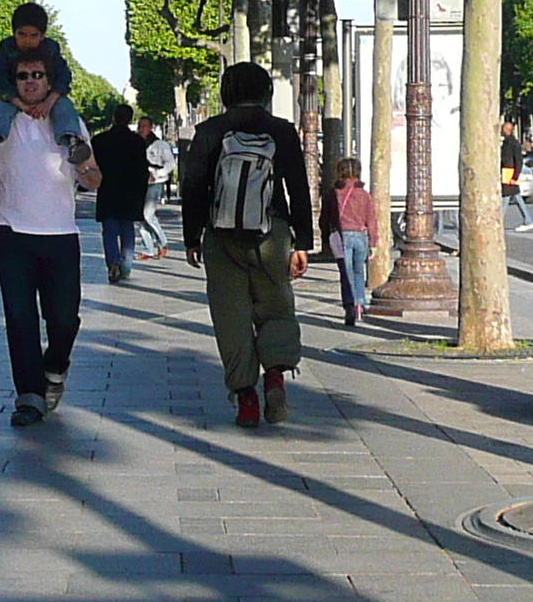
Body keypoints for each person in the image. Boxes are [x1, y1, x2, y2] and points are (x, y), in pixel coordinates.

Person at [185, 62, 313, 426]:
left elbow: (194, 186)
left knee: (231, 316)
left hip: (221, 234)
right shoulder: (281, 132)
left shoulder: (210, 131)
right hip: (270, 232)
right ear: (266, 92)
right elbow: (298, 188)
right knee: (276, 306)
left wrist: (192, 237)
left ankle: (246, 399)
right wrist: (302, 241)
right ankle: (274, 373)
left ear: (226, 92)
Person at [0, 54, 98, 424]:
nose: (30, 81)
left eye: (37, 75)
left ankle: (55, 368)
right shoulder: (0, 124)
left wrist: (84, 165)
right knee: (20, 317)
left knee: (64, 319)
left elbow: (94, 180)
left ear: (50, 80)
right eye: (23, 76)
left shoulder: (69, 123)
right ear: (14, 82)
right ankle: (29, 396)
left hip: (60, 234)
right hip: (12, 232)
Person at [0, 2, 93, 156]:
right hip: (13, 95)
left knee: (64, 106)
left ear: (43, 35)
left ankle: (73, 141)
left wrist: (50, 100)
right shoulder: (6, 48)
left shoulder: (51, 48)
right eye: (22, 35)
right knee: (0, 107)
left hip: (48, 95)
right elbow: (0, 78)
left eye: (33, 36)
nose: (27, 40)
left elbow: (64, 76)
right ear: (14, 33)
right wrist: (18, 102)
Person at [90, 101, 151, 284]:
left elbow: (93, 166)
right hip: (130, 192)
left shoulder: (100, 140)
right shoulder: (137, 142)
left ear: (114, 118)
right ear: (130, 119)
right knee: (127, 228)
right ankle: (125, 265)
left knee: (109, 229)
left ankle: (112, 263)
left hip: (108, 189)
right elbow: (142, 169)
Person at [329, 160, 378, 329]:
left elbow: (325, 216)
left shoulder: (334, 193)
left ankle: (349, 305)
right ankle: (360, 303)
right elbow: (371, 219)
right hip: (360, 235)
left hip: (342, 235)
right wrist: (373, 242)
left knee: (345, 273)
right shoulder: (363, 194)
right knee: (359, 271)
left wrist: (325, 233)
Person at [138, 117, 172, 258]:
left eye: (145, 126)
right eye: (140, 126)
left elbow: (170, 163)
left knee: (148, 214)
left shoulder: (160, 145)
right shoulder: (136, 143)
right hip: (140, 183)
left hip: (155, 182)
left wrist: (158, 174)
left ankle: (163, 242)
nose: (142, 129)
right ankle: (148, 249)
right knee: (140, 217)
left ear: (151, 127)